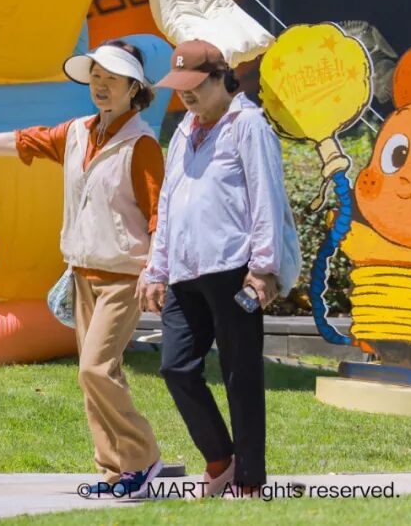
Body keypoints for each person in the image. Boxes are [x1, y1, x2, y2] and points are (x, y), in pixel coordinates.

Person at [0, 39, 165, 500]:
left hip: (123, 279)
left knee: (95, 370)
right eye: (96, 76)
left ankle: (142, 459)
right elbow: (21, 141)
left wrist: (155, 271)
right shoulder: (76, 133)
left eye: (111, 79)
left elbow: (159, 215)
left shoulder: (142, 145)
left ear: (134, 88)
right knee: (94, 375)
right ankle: (113, 471)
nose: (100, 85)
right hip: (82, 275)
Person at [137, 39, 301, 500]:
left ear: (220, 78)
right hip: (185, 271)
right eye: (179, 86)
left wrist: (263, 268)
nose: (185, 94)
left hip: (234, 269)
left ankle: (248, 478)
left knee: (240, 374)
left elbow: (266, 198)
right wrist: (156, 268)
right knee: (175, 368)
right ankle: (220, 459)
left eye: (194, 84)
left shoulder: (248, 125)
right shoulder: (183, 131)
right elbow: (168, 202)